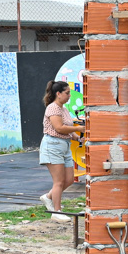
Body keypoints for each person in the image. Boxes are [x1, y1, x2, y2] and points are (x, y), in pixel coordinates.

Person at [39, 80, 83, 213]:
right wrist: (79, 128)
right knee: (58, 182)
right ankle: (57, 211)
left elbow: (67, 129)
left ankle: (48, 197)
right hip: (53, 145)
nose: (69, 95)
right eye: (67, 93)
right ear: (58, 93)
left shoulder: (63, 109)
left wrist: (77, 137)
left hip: (64, 145)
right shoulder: (52, 108)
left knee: (69, 180)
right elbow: (59, 128)